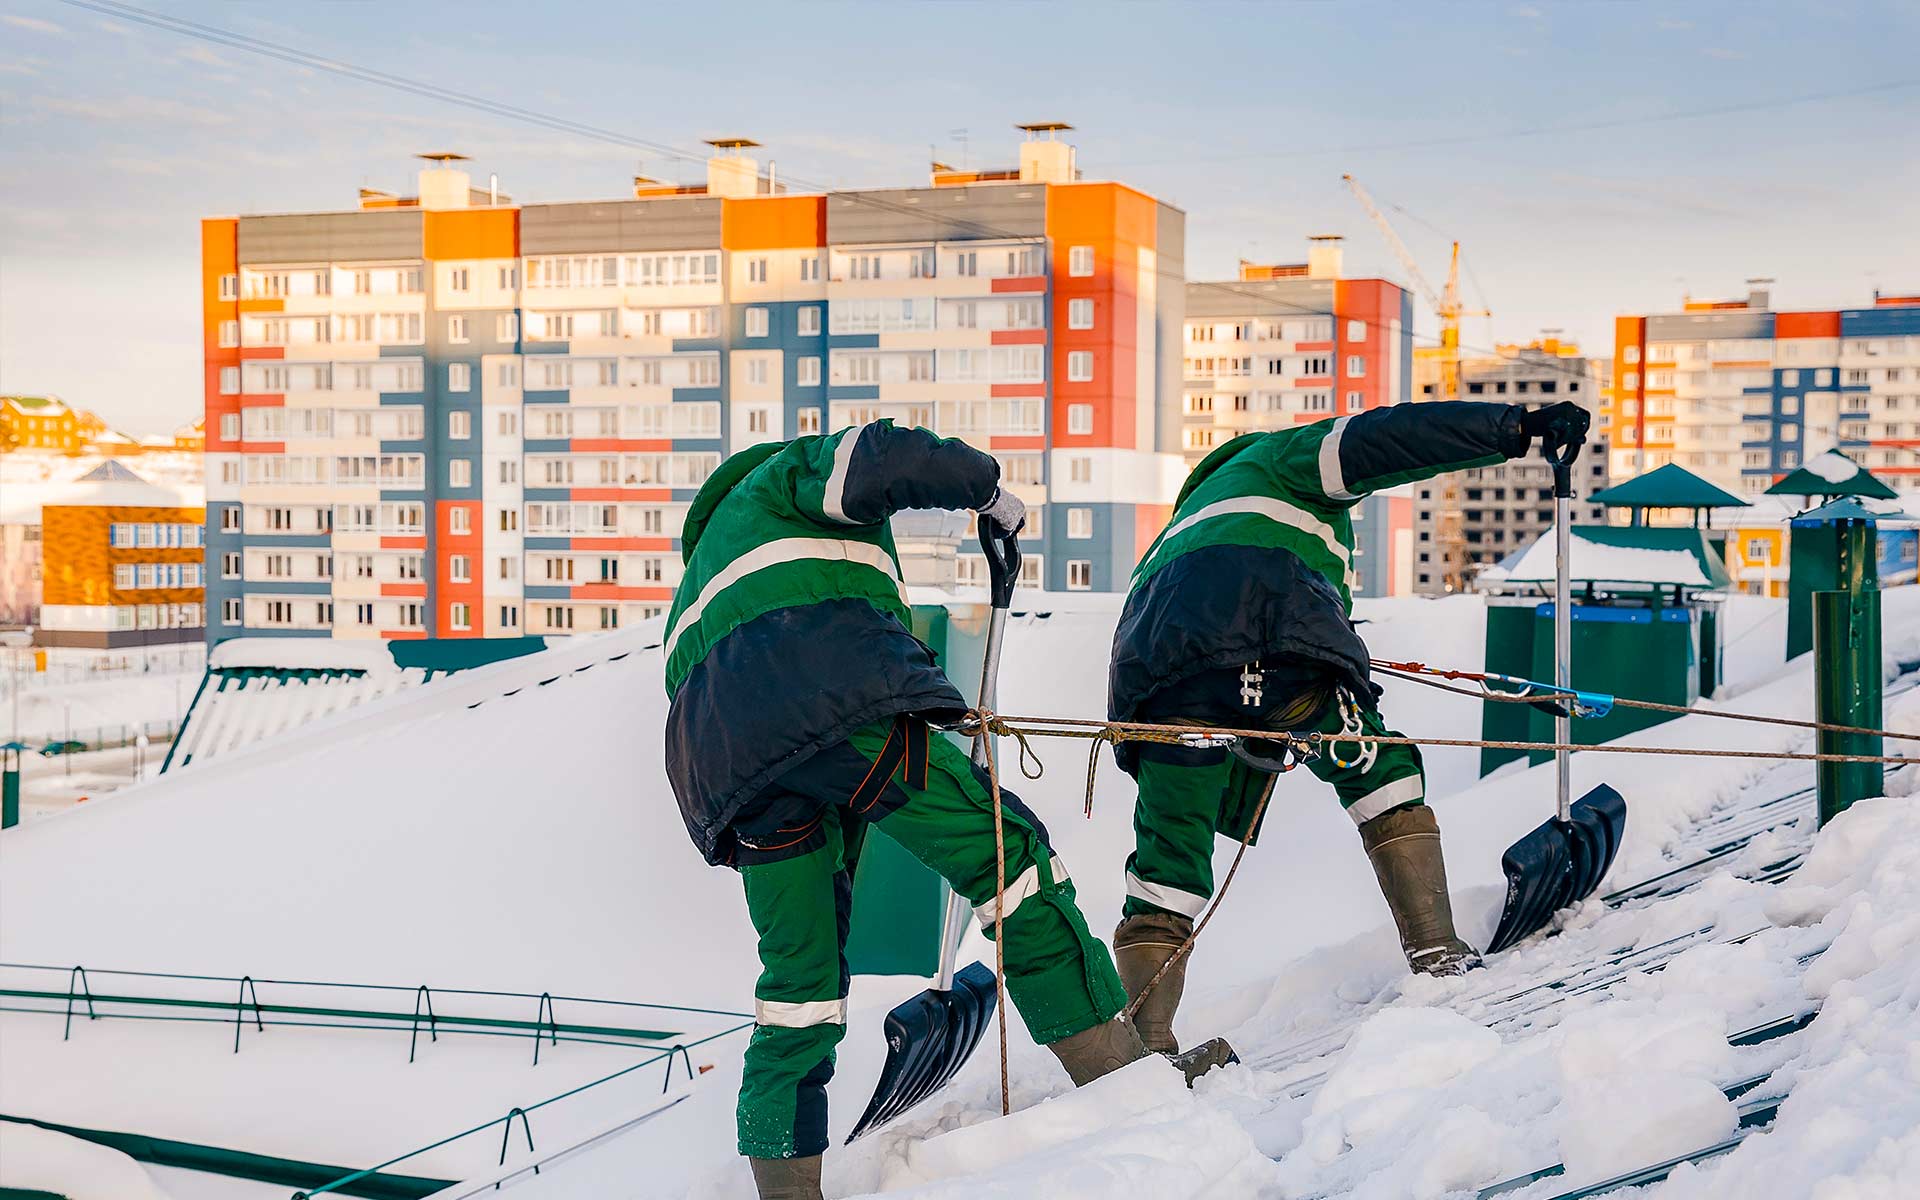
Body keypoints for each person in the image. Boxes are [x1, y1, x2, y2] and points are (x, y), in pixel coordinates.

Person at [663, 421, 1213, 1200]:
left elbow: (753, 686)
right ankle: (1124, 1082)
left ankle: (785, 1189)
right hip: (823, 700)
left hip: (723, 766)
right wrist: (985, 491)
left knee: (800, 976)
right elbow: (880, 456)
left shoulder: (703, 577)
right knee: (1010, 858)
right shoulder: (782, 480)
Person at [1105, 400, 1591, 1054]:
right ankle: (1437, 951)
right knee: (1380, 773)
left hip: (1158, 677)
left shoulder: (1181, 528)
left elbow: (1209, 635)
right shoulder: (1277, 460)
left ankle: (1147, 1046)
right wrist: (1512, 428)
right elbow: (1383, 441)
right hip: (1277, 643)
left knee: (1170, 853)